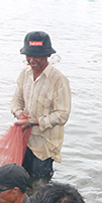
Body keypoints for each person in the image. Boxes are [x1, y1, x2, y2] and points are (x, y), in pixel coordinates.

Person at [11, 31, 71, 181]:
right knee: (21, 182)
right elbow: (16, 100)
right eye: (28, 55)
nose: (31, 60)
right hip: (24, 141)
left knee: (40, 186)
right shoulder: (25, 74)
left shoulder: (58, 80)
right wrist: (19, 113)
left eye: (37, 55)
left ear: (48, 55)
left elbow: (62, 114)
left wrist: (32, 122)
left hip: (45, 146)